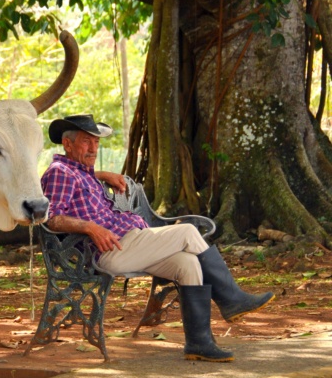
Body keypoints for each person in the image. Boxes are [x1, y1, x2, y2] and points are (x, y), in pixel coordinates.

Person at [41, 114, 275, 362]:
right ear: (67, 144)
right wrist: (89, 227)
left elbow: (78, 180)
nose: (94, 148)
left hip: (131, 244)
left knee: (187, 263)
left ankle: (199, 343)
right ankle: (232, 299)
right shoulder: (59, 172)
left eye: (96, 143)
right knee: (187, 231)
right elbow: (51, 218)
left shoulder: (80, 172)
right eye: (87, 142)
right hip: (110, 251)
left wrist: (100, 174)